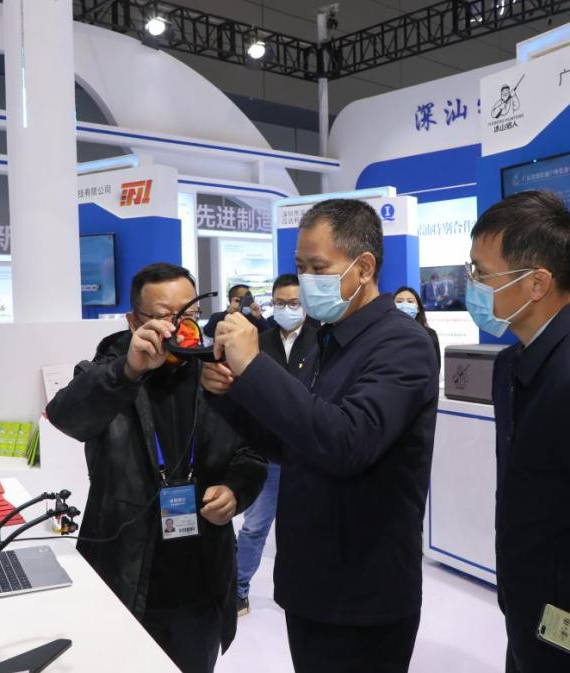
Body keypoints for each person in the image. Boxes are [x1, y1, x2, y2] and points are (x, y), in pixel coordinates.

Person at [202, 199, 439, 673]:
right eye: (300, 267)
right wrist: (230, 392)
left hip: (363, 592)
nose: (307, 280)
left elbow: (347, 442)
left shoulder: (402, 343)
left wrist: (256, 367)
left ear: (363, 267)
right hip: (311, 579)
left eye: (318, 267)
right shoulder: (328, 338)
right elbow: (293, 441)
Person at [46, 263, 267, 673]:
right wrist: (128, 370)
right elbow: (66, 417)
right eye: (165, 316)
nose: (179, 326)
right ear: (135, 321)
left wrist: (235, 491)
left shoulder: (216, 371)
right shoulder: (110, 369)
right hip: (124, 571)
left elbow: (251, 454)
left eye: (190, 314)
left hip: (201, 576)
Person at [467, 191, 570, 673]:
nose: (472, 285)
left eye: (482, 274)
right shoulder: (513, 363)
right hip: (530, 610)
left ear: (536, 283)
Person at [235, 273, 318, 618]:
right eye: (280, 303)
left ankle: (304, 590)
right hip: (267, 453)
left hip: (308, 453)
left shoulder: (320, 339)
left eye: (294, 303)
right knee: (255, 527)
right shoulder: (258, 341)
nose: (287, 309)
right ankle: (237, 590)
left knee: (308, 529)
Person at [394, 286, 440, 365]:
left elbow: (435, 367)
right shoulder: (384, 335)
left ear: (418, 308)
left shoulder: (430, 335)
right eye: (399, 301)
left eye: (410, 301)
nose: (405, 305)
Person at [202, 283, 267, 338]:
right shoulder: (219, 317)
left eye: (250, 297)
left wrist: (259, 317)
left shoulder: (254, 318)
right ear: (234, 300)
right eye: (245, 297)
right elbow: (208, 332)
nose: (248, 300)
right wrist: (227, 313)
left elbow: (268, 334)